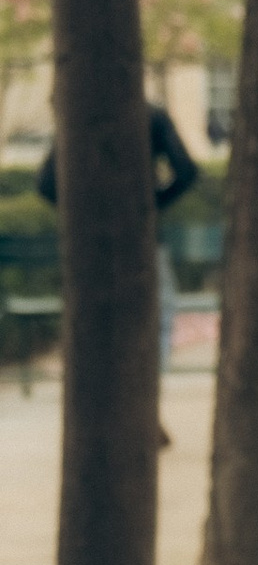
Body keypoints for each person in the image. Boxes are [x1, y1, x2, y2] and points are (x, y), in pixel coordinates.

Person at [37, 97, 201, 384]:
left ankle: (99, 381)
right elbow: (186, 171)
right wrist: (153, 204)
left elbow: (46, 184)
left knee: (96, 317)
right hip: (142, 237)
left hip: (90, 241)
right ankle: (149, 380)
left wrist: (80, 214)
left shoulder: (78, 113)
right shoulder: (151, 116)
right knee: (158, 311)